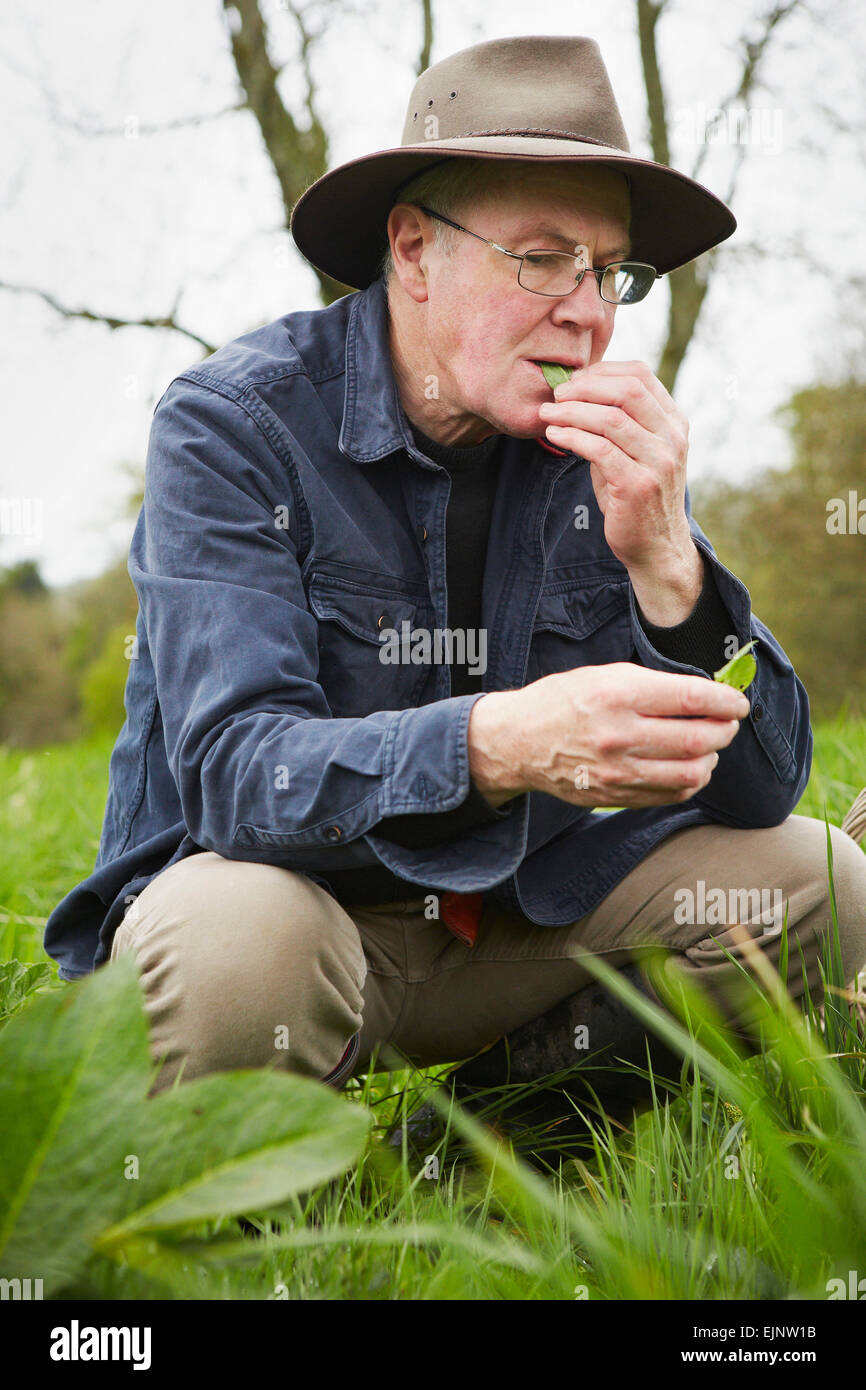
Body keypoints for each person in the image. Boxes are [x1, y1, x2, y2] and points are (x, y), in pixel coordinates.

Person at [44, 36, 866, 1142]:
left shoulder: (599, 451)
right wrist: (499, 743)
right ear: (413, 250)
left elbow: (761, 794)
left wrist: (671, 567)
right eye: (541, 257)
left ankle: (474, 1149)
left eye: (609, 269)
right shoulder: (233, 425)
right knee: (238, 950)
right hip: (300, 926)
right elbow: (235, 773)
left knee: (820, 881)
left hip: (520, 921)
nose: (586, 309)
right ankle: (254, 1182)